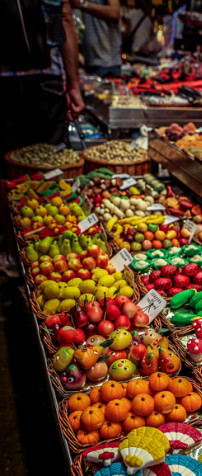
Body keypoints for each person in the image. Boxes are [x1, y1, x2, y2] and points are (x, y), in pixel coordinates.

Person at [0, 0, 85, 277]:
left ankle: (15, 255)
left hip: (5, 85)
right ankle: (55, 259)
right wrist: (73, 85)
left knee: (7, 172)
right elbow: (66, 21)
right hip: (46, 83)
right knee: (52, 169)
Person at [71, 0, 122, 77]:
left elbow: (114, 12)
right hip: (87, 62)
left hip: (107, 63)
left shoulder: (82, 3)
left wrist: (83, 4)